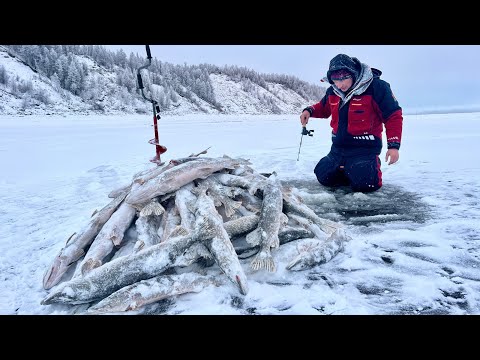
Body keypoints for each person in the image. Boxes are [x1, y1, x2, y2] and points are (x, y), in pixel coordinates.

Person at [300, 53, 403, 193]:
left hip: (364, 149)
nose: (340, 84)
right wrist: (309, 111)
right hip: (338, 149)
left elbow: (393, 116)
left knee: (365, 185)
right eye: (335, 80)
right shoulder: (333, 91)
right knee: (323, 176)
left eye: (344, 79)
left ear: (353, 74)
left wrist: (394, 146)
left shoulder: (377, 87)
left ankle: (369, 166)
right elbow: (324, 108)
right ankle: (348, 169)